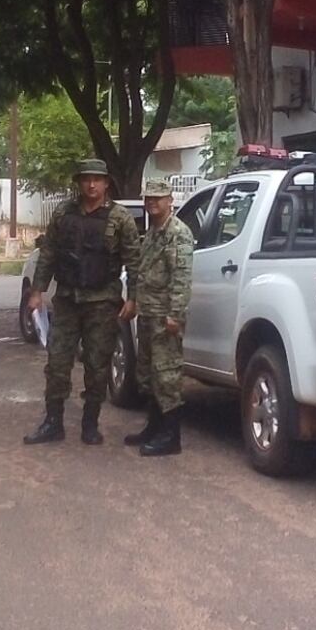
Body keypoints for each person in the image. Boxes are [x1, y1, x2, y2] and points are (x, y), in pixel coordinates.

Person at [24, 159, 140, 446]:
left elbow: (134, 260)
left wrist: (134, 297)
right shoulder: (63, 213)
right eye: (86, 179)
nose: (91, 185)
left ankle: (90, 422)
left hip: (102, 302)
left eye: (97, 180)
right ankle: (53, 422)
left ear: (106, 184)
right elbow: (48, 252)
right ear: (79, 182)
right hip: (67, 299)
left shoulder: (120, 218)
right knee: (57, 362)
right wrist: (37, 291)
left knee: (97, 364)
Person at [124, 179, 193, 457]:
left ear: (169, 200)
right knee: (149, 373)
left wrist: (175, 314)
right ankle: (153, 427)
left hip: (165, 316)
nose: (152, 203)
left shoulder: (178, 233)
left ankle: (170, 436)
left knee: (167, 375)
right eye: (149, 199)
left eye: (157, 198)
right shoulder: (153, 232)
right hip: (148, 314)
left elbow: (181, 277)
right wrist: (135, 301)